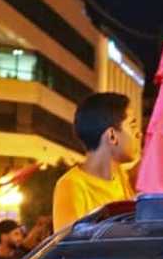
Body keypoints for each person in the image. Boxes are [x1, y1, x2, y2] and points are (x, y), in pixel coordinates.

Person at [52, 92, 140, 230]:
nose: (139, 134)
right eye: (133, 125)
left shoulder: (123, 177)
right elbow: (69, 246)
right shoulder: (71, 185)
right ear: (112, 135)